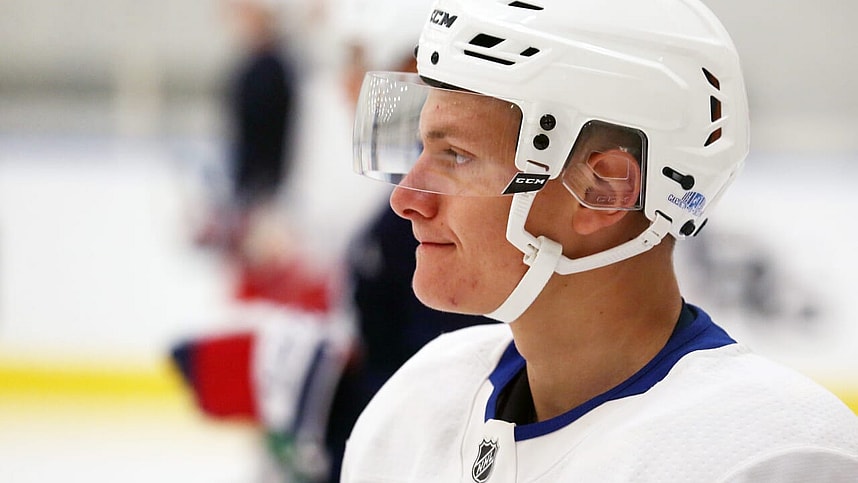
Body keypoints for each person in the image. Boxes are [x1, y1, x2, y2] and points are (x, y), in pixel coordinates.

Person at [341, 0, 858, 481]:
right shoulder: (416, 404)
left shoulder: (771, 457)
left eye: (456, 156)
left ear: (603, 189)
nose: (407, 198)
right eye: (421, 149)